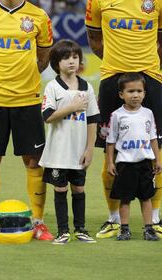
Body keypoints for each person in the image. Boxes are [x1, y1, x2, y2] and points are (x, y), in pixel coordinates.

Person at [0, 0, 54, 241]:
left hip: (27, 99)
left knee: (34, 161)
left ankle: (38, 222)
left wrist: (24, 78)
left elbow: (43, 57)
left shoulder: (38, 16)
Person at [85, 0, 162, 238]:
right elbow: (95, 40)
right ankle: (114, 218)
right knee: (112, 151)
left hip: (151, 77)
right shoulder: (96, 1)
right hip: (112, 79)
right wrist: (119, 66)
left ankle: (155, 219)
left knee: (155, 148)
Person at [39, 39, 100, 244]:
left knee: (79, 189)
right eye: (66, 58)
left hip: (79, 150)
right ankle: (63, 231)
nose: (72, 61)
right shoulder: (52, 87)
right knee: (60, 189)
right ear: (56, 63)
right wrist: (71, 107)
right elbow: (47, 116)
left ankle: (81, 229)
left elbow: (92, 120)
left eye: (75, 57)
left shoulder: (87, 87)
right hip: (58, 151)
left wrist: (90, 148)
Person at [106, 72, 161, 241]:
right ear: (121, 95)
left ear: (144, 93)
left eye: (139, 91)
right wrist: (110, 162)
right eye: (131, 91)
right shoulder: (117, 115)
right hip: (125, 164)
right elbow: (111, 141)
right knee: (125, 198)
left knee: (146, 197)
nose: (135, 95)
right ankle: (124, 228)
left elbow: (152, 137)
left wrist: (157, 159)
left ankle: (149, 228)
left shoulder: (148, 113)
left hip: (144, 163)